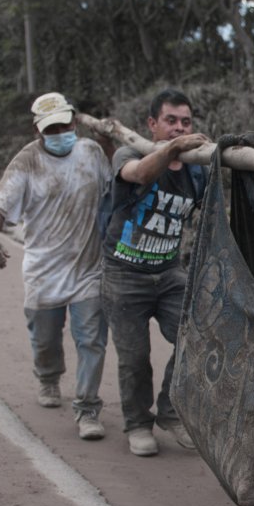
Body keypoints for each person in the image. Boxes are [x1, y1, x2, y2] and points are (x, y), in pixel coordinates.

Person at [0, 92, 110, 440]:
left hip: (88, 269)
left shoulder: (91, 152)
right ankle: (48, 376)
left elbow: (117, 185)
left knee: (92, 341)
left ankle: (86, 408)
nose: (59, 133)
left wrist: (109, 143)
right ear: (38, 131)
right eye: (50, 128)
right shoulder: (27, 161)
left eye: (64, 125)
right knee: (46, 340)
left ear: (74, 122)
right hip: (44, 270)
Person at [100, 88, 209, 457]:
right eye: (171, 121)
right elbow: (140, 173)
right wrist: (172, 150)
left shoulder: (197, 171)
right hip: (123, 275)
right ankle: (137, 424)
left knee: (196, 338)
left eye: (185, 122)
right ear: (152, 124)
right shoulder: (130, 152)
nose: (179, 128)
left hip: (168, 274)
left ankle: (171, 412)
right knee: (134, 358)